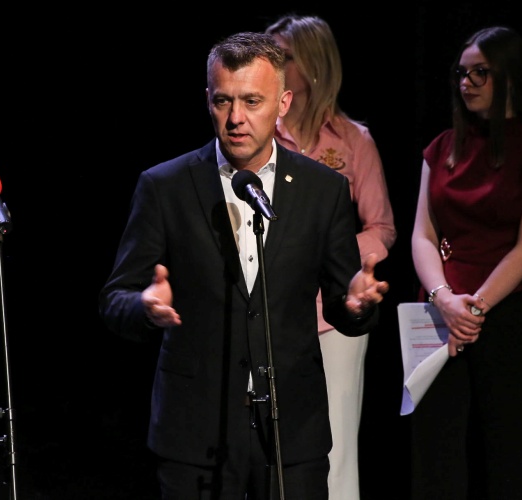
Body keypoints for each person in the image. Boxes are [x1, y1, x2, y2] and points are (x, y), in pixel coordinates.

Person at [98, 31, 390, 500]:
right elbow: (115, 299)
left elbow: (343, 304)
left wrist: (356, 306)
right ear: (208, 100)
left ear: (282, 103)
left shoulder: (323, 190)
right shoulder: (166, 186)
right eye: (223, 101)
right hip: (196, 431)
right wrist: (144, 306)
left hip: (292, 429)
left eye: (252, 101)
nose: (236, 118)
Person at [409, 26, 522, 499]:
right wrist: (444, 300)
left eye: (480, 72)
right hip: (438, 314)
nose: (467, 83)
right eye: (461, 73)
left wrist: (473, 310)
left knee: (509, 448)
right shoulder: (441, 147)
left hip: (504, 311)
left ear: (509, 76)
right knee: (434, 449)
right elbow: (422, 235)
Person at [264, 14, 396, 499]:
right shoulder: (260, 135)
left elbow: (382, 227)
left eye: (285, 57)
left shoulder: (353, 140)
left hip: (334, 315)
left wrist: (329, 255)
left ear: (314, 65)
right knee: (269, 439)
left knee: (336, 445)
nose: (274, 66)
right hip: (272, 309)